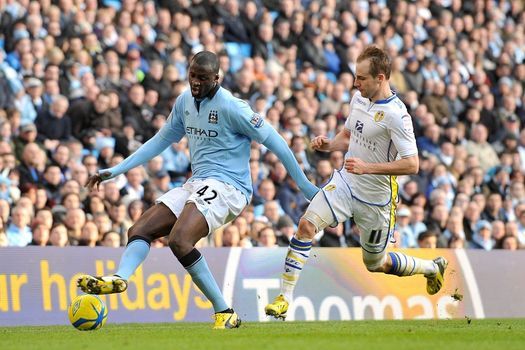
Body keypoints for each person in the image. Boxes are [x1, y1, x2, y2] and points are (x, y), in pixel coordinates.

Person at [77, 51, 318, 329]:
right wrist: (116, 170)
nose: (195, 83)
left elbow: (276, 142)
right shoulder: (184, 102)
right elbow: (160, 140)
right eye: (192, 76)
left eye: (203, 79)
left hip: (231, 187)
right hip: (198, 183)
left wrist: (304, 185)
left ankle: (223, 311)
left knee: (179, 239)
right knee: (139, 229)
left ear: (216, 78)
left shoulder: (233, 107)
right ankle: (120, 278)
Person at [265, 46, 448, 320]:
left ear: (381, 78)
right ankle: (284, 298)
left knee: (376, 263)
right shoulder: (358, 99)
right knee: (306, 225)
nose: (355, 83)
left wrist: (368, 168)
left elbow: (413, 164)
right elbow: (348, 136)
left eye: (361, 78)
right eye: (355, 76)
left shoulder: (398, 115)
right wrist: (329, 145)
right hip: (346, 183)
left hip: (376, 199)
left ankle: (432, 268)